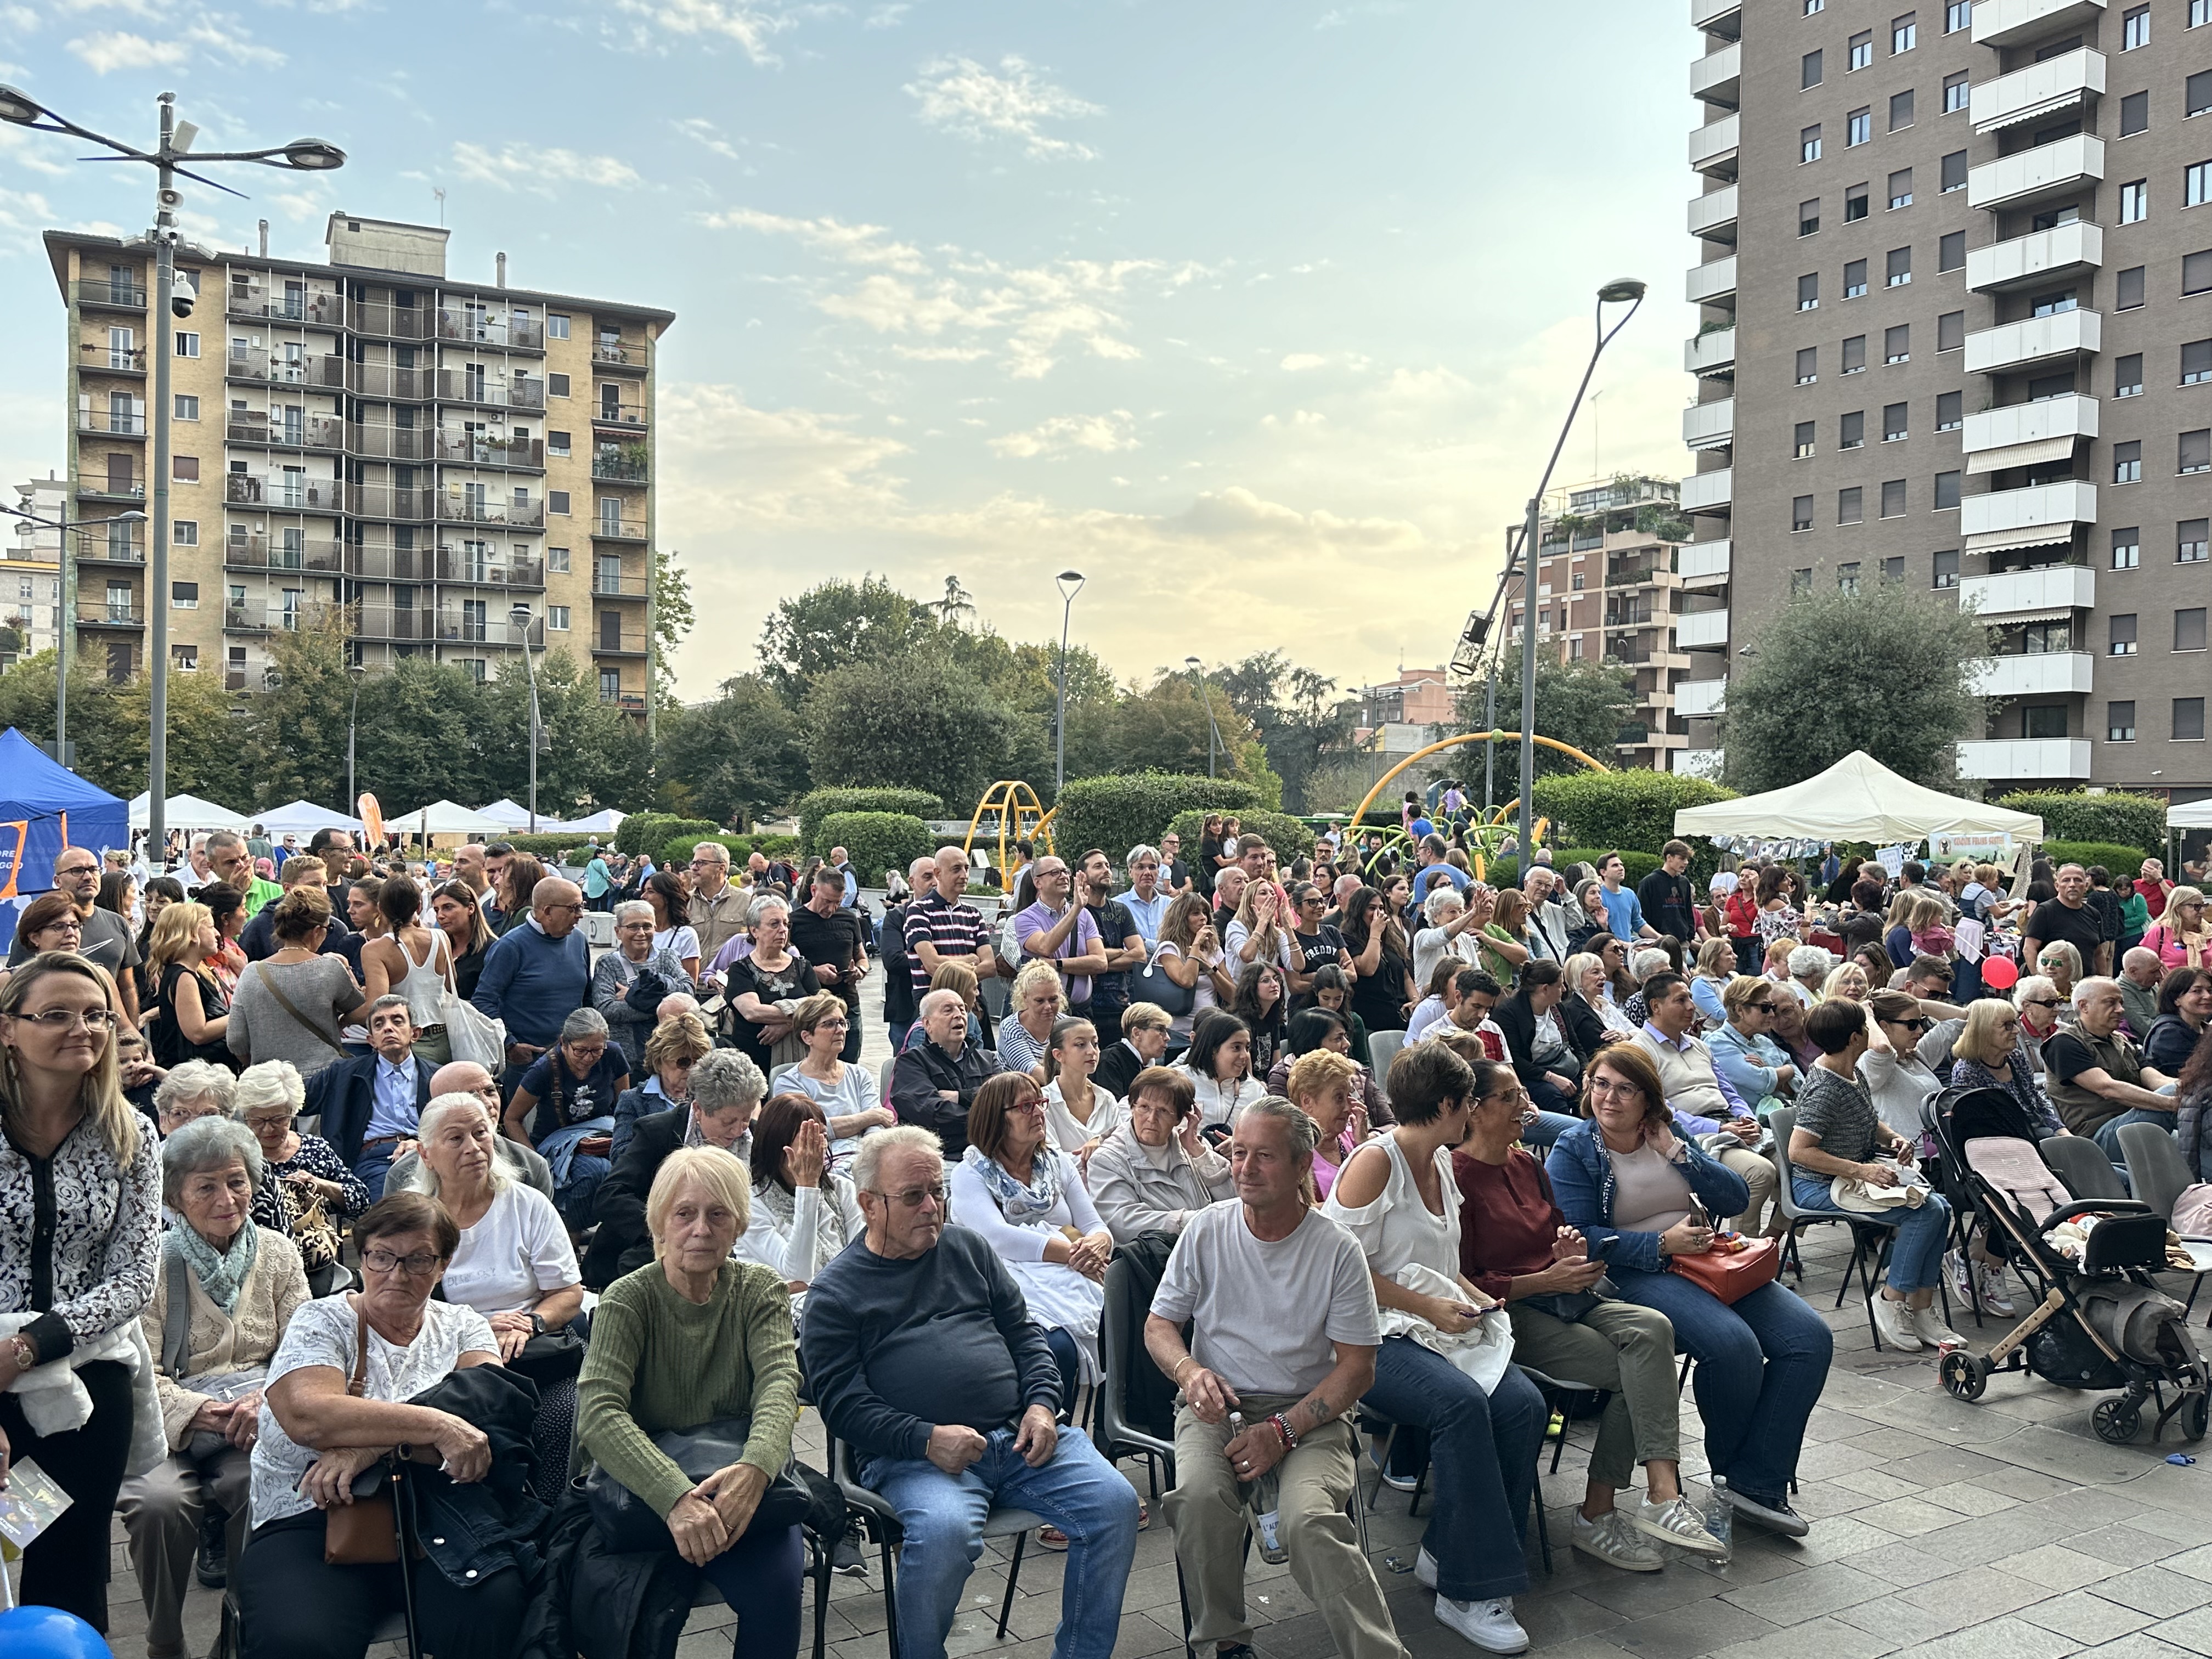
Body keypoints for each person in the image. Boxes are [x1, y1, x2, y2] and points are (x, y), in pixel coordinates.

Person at [804, 1125, 1141, 1659]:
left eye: (938, 1192)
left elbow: (1026, 1336)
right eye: (913, 1196)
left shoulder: (967, 1250)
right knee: (943, 1535)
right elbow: (843, 1407)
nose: (932, 1207)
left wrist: (1042, 1405)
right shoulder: (836, 1293)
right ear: (869, 1204)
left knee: (1116, 1505)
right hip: (917, 1460)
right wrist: (926, 1438)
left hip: (1020, 1438)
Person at [1145, 1099, 1414, 1659]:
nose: (1245, 1169)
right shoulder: (1208, 1230)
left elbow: (1358, 1367)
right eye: (1239, 1153)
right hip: (1218, 1406)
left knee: (1310, 1521)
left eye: (1264, 1156)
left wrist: (1284, 1431)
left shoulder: (1335, 1249)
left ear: (1300, 1166)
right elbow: (1159, 1325)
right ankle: (1225, 1643)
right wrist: (1189, 1371)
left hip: (1311, 1410)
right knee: (1197, 1498)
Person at [1548, 1043, 1831, 1539]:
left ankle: (1755, 1477)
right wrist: (1660, 1244)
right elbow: (1581, 1236)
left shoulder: (1666, 1133)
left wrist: (1677, 1152)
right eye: (1601, 1084)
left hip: (1708, 1262)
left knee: (1810, 1339)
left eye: (1625, 1089)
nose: (1609, 1098)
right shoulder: (1575, 1149)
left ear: (1648, 1098)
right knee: (1731, 1345)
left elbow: (1735, 1197)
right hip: (1635, 1273)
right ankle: (1735, 1477)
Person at [1317, 1045, 1555, 1632]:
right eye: (1470, 1101)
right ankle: (1469, 1591)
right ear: (1448, 1105)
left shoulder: (1442, 1160)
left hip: (1431, 1325)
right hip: (1368, 1334)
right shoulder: (1377, 1163)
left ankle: (1451, 1550)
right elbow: (1337, 1269)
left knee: (1525, 1406)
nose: (1473, 1111)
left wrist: (1479, 1299)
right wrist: (1429, 1306)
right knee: (1461, 1405)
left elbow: (1443, 1263)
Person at [235, 1190, 525, 1659]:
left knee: (496, 1608)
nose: (397, 1274)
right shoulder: (321, 1319)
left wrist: (367, 1448)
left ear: (444, 1265)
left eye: (418, 1260)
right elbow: (309, 1417)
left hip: (435, 1510)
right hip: (313, 1513)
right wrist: (437, 1425)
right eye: (382, 1256)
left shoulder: (463, 1325)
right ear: (363, 1255)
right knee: (300, 1642)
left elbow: (490, 1411)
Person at [1454, 1057, 1713, 1576]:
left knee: (1654, 1328)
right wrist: (1544, 1280)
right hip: (1508, 1312)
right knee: (1635, 1370)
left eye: (1521, 1094)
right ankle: (1601, 1511)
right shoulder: (1457, 1177)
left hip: (1565, 1293)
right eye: (1510, 1097)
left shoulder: (1525, 1165)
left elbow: (1554, 1232)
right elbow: (1459, 1281)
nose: (1526, 1105)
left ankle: (1660, 1492)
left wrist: (1566, 1253)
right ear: (1475, 1111)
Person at [576, 1142, 808, 1658]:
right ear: (659, 1224)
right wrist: (677, 1499)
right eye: (684, 1214)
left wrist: (756, 1470)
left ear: (739, 1225)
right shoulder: (627, 1298)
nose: (701, 1229)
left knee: (776, 1594)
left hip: (737, 1479)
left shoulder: (760, 1289)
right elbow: (600, 1414)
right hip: (643, 1490)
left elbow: (779, 1383)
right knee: (634, 1618)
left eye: (718, 1214)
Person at [0, 952, 163, 1634]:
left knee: (66, 1568)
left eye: (97, 1014)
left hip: (83, 1386)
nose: (83, 1029)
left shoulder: (130, 1133)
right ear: (9, 1028)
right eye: (57, 1014)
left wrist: (29, 1346)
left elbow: (136, 1274)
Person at [120, 1115, 308, 1651]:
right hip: (166, 1429)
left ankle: (241, 1634)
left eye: (237, 1181)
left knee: (262, 1485)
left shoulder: (278, 1253)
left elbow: (305, 1354)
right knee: (158, 1503)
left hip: (254, 1423)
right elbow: (136, 1373)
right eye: (206, 1187)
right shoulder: (149, 1265)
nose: (227, 1199)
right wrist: (201, 1412)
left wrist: (264, 1399)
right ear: (175, 1198)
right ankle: (164, 1640)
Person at [415, 1093, 583, 1501]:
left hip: (530, 1351)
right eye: (456, 1138)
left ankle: (548, 1514)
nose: (474, 1147)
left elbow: (567, 1292)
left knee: (564, 1415)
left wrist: (531, 1323)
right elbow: (400, 1306)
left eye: (481, 1133)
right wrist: (476, 1329)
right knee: (463, 1422)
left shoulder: (527, 1206)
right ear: (426, 1155)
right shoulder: (415, 1220)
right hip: (448, 1355)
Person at [1786, 998, 1963, 1352]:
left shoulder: (1852, 1071)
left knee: (1941, 1208)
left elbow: (1869, 1118)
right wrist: (1862, 1170)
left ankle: (1922, 1308)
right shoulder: (1826, 1088)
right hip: (1819, 1186)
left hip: (1847, 1177)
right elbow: (1799, 1151)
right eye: (1866, 1027)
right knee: (1924, 1212)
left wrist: (1893, 1138)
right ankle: (1890, 1298)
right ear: (1855, 1038)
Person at [951, 1072, 1114, 1404]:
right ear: (996, 1118)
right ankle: (1050, 1420)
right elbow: (996, 1237)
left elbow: (1095, 1224)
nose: (1039, 1112)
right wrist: (1074, 1253)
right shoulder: (971, 1173)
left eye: (1041, 1103)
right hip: (1004, 1281)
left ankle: (1105, 1425)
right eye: (1026, 1106)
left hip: (1072, 1273)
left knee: (1124, 1325)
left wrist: (1098, 1244)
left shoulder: (1057, 1164)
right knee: (1058, 1347)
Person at [589, 1049, 765, 1288]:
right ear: (698, 1109)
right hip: (653, 1250)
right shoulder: (658, 1132)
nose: (739, 1130)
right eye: (728, 1122)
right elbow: (610, 1196)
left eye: (745, 1118)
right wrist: (667, 1229)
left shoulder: (759, 1136)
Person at [1631, 972, 1780, 1233]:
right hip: (1695, 1136)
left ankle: (1772, 1238)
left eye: (1690, 998)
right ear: (1656, 1006)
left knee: (1798, 1167)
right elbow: (1661, 1111)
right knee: (1760, 1172)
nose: (1692, 1006)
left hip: (1730, 1124)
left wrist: (1748, 1119)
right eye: (1681, 1000)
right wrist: (1718, 1128)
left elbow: (1729, 1091)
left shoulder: (1699, 1046)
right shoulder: (1640, 1051)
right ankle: (1741, 1247)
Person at [300, 994, 435, 1203]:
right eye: (379, 1024)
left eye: (397, 1021)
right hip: (375, 1158)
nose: (388, 1028)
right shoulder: (343, 1074)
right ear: (372, 1041)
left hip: (426, 1155)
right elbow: (295, 1097)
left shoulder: (438, 1076)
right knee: (390, 1211)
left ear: (415, 1034)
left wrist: (421, 1144)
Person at [504, 1006, 630, 1227]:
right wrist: (536, 1162)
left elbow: (624, 1105)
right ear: (564, 1043)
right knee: (593, 1171)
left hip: (600, 1136)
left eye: (596, 1050)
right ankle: (571, 1234)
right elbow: (511, 1119)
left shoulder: (613, 1054)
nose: (589, 1058)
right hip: (556, 1143)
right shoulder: (545, 1069)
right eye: (580, 1051)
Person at [738, 1094, 864, 1313]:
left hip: (846, 1301)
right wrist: (807, 1187)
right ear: (779, 1145)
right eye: (808, 1139)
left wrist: (812, 1286)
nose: (819, 1147)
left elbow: (861, 1258)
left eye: (822, 1136)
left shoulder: (842, 1189)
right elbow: (799, 1271)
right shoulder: (751, 1204)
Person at [224, 887, 365, 1079]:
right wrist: (342, 1020)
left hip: (271, 1082)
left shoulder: (252, 973)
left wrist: (259, 1067)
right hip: (324, 1079)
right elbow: (360, 1009)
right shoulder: (329, 969)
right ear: (317, 931)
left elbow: (236, 1040)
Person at [472, 876, 591, 1093]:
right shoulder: (510, 947)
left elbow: (587, 997)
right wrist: (510, 1044)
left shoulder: (579, 940)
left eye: (581, 906)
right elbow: (483, 1001)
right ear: (547, 911)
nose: (580, 915)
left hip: (574, 1061)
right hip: (527, 1066)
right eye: (574, 908)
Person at [1087, 1066, 1235, 1242]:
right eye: (1144, 1107)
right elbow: (1122, 1221)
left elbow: (1233, 1199)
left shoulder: (1191, 1146)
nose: (1151, 1118)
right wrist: (1189, 1221)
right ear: (1132, 1107)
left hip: (1210, 1244)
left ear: (1180, 1118)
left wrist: (1198, 1152)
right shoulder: (1107, 1160)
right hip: (1158, 1254)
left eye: (1163, 1111)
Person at [2045, 976, 2179, 1155]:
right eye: (2111, 1003)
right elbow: (2107, 1088)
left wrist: (2193, 1089)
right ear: (2084, 1006)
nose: (2120, 1010)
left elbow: (2156, 1080)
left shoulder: (2123, 1041)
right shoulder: (2064, 1043)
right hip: (2099, 1137)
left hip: (2135, 1121)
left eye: (2121, 1003)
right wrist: (2173, 1104)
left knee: (2195, 1140)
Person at [770, 992, 896, 1168]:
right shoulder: (789, 1082)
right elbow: (811, 1133)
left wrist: (867, 1159)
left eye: (842, 1023)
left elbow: (878, 1125)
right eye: (829, 1024)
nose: (840, 1030)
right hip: (819, 1164)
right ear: (807, 1037)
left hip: (864, 1160)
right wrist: (871, 1116)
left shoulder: (859, 1075)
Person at [356, 875, 456, 1070]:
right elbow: (450, 985)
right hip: (445, 1037)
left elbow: (375, 1005)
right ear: (419, 907)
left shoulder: (375, 949)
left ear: (381, 909)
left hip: (404, 1041)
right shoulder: (441, 937)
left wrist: (344, 1019)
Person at [892, 986, 1003, 1159]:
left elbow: (1006, 1099)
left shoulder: (987, 1059)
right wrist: (991, 1120)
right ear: (927, 1024)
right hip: (942, 1157)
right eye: (948, 1010)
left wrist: (962, 1097)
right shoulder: (911, 1062)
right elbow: (933, 1114)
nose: (959, 1015)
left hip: (992, 1152)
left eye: (962, 1009)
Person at [721, 894, 821, 1075]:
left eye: (786, 924)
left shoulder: (802, 966)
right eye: (774, 924)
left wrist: (789, 1026)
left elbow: (822, 1008)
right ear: (755, 931)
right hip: (752, 1064)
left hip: (800, 1063)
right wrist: (802, 1014)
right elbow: (753, 1012)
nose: (783, 930)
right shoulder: (741, 969)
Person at [594, 900, 697, 1075]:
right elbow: (606, 1009)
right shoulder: (608, 964)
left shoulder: (667, 957)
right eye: (633, 927)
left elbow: (688, 991)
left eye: (647, 926)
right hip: (626, 1061)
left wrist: (634, 996)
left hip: (669, 1058)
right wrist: (666, 1005)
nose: (641, 933)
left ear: (655, 928)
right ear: (618, 931)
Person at [789, 864, 870, 1064]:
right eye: (827, 901)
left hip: (848, 1005)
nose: (831, 909)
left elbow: (862, 957)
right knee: (813, 1067)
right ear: (813, 890)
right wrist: (813, 972)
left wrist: (860, 971)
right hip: (812, 1009)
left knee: (849, 1067)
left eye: (837, 903)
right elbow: (784, 965)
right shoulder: (793, 922)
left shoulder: (849, 919)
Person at [145, 899, 233, 1071]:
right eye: (211, 927)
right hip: (190, 1073)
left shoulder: (189, 972)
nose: (217, 934)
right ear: (192, 934)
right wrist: (240, 1015)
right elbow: (198, 1033)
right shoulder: (184, 976)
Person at [613, 1012, 714, 1158]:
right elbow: (620, 1155)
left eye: (698, 1061)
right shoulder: (633, 1100)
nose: (692, 1068)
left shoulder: (711, 1096)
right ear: (659, 1062)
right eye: (683, 1062)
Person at [1707, 975, 1799, 1121]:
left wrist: (1773, 1073)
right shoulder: (1718, 1044)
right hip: (1755, 1123)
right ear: (1740, 1010)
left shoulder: (1763, 1041)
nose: (1772, 1014)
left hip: (1789, 1114)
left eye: (1772, 1008)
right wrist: (1787, 1072)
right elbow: (1761, 1082)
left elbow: (1800, 1080)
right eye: (1765, 1008)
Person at [1149, 891, 1235, 1039]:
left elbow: (1233, 996)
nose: (1203, 918)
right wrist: (1196, 945)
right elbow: (1187, 981)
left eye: (1205, 913)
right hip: (1178, 1034)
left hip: (1209, 1030)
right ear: (1182, 918)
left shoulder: (1214, 950)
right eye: (1196, 913)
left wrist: (1211, 969)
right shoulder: (1169, 949)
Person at [1040, 1013, 1124, 1159]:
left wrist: (1099, 1142)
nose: (1092, 1051)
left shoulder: (1107, 1098)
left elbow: (1122, 1150)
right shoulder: (1042, 1102)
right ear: (1059, 1055)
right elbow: (1053, 1160)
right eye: (1081, 1045)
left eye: (1095, 1044)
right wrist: (1102, 1152)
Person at [1173, 1010, 1268, 1127]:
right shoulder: (1178, 1084)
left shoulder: (1256, 1091)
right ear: (1212, 1049)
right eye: (1236, 1048)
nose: (1245, 1056)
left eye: (1247, 1048)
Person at [1342, 884, 1415, 1035]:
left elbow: (1405, 975)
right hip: (1371, 1022)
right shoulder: (1347, 939)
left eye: (1381, 908)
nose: (1378, 913)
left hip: (1401, 1021)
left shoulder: (1391, 939)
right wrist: (1375, 933)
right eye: (1372, 908)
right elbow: (1367, 969)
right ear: (1359, 911)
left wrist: (1415, 1000)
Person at [2024, 864, 2113, 981]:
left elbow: (2099, 953)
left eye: (2078, 880)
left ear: (2086, 886)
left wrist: (2103, 980)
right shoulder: (2045, 911)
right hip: (2055, 986)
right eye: (2066, 880)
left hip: (2085, 985)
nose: (2072, 885)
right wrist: (2040, 980)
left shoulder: (2094, 914)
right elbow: (2029, 948)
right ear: (2057, 886)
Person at [998, 959, 1067, 1077]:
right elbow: (1032, 1071)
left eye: (1053, 999)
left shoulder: (1066, 1024)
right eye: (1040, 1001)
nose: (1048, 1006)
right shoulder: (1010, 1028)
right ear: (1025, 997)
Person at [431, 879, 495, 1004]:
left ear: (470, 908)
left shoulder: (492, 949)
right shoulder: (437, 947)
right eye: (436, 910)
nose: (440, 916)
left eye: (448, 907)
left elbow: (491, 1000)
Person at [1096, 1001, 1173, 1100]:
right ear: (1137, 1033)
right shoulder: (1110, 1062)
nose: (1167, 1038)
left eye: (1167, 1031)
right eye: (1160, 1029)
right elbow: (1113, 1107)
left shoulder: (1156, 1069)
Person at [2145, 967, 2212, 1076]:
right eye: (2197, 991)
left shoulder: (2205, 1029)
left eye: (2210, 991)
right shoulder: (2169, 1035)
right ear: (2176, 999)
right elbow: (2191, 1078)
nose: (2208, 996)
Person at [1228, 960, 1290, 1075]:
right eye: (1266, 980)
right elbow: (1246, 1075)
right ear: (1251, 987)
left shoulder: (1273, 1019)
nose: (1274, 984)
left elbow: (1276, 1067)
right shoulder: (1240, 1023)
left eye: (1276, 979)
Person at [1637, 841, 1703, 945]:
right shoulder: (1649, 882)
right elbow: (1643, 913)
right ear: (1669, 858)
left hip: (1682, 942)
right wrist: (1653, 937)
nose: (1686, 862)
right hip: (1658, 942)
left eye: (1687, 859)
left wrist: (1689, 936)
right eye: (1682, 859)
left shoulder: (1684, 882)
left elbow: (1689, 912)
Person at [2143, 887, 2212, 972]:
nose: (2202, 911)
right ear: (2178, 908)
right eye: (2197, 906)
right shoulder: (2160, 932)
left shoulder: (2208, 932)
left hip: (2204, 980)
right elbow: (2144, 964)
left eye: (2204, 906)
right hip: (2170, 981)